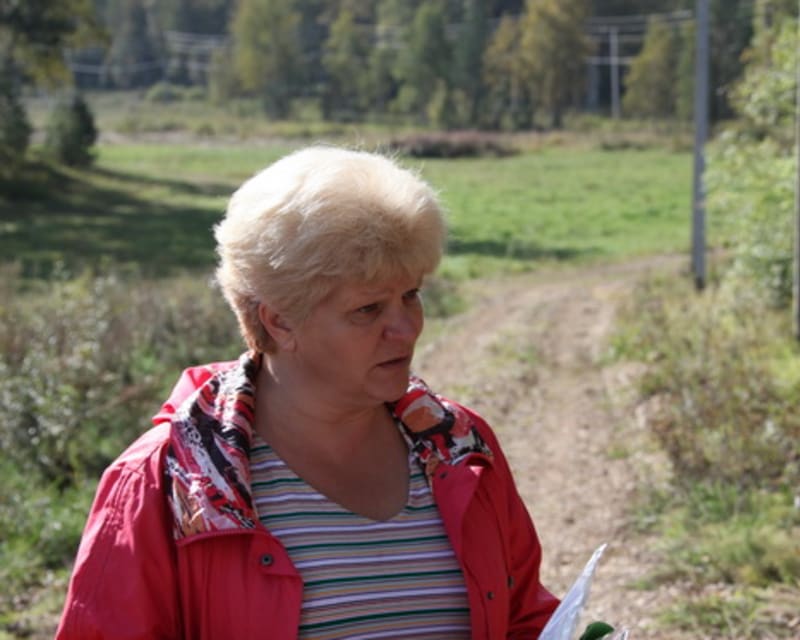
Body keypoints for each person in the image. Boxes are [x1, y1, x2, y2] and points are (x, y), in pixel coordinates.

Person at [56, 145, 559, 639]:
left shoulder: (461, 449)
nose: (406, 328)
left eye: (411, 295)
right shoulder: (166, 482)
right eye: (368, 309)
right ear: (279, 321)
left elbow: (522, 619)